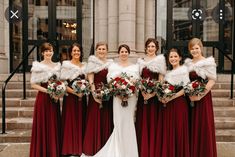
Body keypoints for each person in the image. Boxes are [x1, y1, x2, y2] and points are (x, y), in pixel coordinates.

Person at [82, 44, 140, 157]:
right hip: (117, 97)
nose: (123, 53)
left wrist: (129, 91)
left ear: (128, 53)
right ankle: (118, 150)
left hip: (131, 98)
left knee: (128, 122)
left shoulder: (135, 67)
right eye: (121, 51)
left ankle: (130, 151)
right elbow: (110, 81)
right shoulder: (113, 66)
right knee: (118, 123)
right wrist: (119, 92)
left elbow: (137, 81)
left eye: (125, 51)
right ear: (118, 53)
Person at [185, 38, 217, 157]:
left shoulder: (208, 62)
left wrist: (199, 95)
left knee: (203, 127)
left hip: (203, 99)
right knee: (191, 126)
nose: (194, 50)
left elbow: (212, 81)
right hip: (189, 100)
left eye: (196, 48)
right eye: (192, 48)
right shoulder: (188, 64)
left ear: (201, 48)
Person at [155, 48, 190, 157]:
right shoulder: (167, 73)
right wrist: (161, 96)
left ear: (180, 58)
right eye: (171, 57)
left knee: (178, 130)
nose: (173, 59)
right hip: (166, 105)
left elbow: (186, 88)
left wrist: (172, 97)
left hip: (179, 104)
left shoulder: (184, 70)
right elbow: (161, 87)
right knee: (167, 131)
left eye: (175, 56)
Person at [135, 38, 166, 157]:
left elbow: (161, 80)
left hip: (154, 97)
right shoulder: (140, 61)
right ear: (146, 48)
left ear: (156, 48)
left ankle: (153, 151)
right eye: (149, 46)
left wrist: (152, 93)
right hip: (143, 97)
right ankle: (142, 150)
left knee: (153, 121)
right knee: (143, 121)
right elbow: (138, 78)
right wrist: (143, 92)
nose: (150, 48)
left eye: (153, 46)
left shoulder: (160, 61)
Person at [29, 42, 61, 157]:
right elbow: (33, 84)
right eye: (46, 51)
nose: (49, 53)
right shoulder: (38, 66)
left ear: (53, 52)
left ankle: (53, 152)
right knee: (43, 124)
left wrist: (58, 93)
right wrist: (48, 91)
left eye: (50, 50)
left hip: (54, 100)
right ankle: (42, 152)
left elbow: (60, 82)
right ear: (42, 53)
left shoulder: (57, 66)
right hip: (43, 99)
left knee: (53, 124)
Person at [83, 42, 114, 155]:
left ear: (107, 50)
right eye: (99, 49)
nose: (101, 51)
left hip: (107, 96)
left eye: (103, 49)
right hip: (94, 96)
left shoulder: (111, 64)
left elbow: (112, 80)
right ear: (96, 50)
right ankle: (93, 147)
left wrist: (107, 92)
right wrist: (95, 95)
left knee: (106, 119)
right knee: (94, 119)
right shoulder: (92, 63)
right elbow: (91, 81)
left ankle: (105, 147)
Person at [60, 43, 87, 156]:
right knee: (70, 122)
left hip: (82, 98)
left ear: (81, 53)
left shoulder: (85, 66)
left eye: (78, 51)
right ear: (70, 53)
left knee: (81, 120)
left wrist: (84, 91)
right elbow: (63, 84)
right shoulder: (66, 65)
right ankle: (70, 149)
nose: (76, 53)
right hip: (71, 98)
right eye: (74, 51)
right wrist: (75, 92)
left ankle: (80, 148)